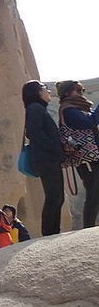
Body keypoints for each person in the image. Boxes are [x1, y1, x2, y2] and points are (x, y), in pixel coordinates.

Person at [23, 80, 65, 235]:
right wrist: (53, 147)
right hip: (46, 159)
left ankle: (53, 231)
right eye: (45, 88)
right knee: (54, 196)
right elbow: (33, 132)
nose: (49, 91)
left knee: (58, 196)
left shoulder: (38, 108)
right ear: (37, 92)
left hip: (48, 158)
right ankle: (49, 232)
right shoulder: (35, 108)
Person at [57, 80, 99, 228]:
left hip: (91, 156)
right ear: (67, 93)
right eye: (78, 90)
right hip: (86, 158)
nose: (81, 93)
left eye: (82, 90)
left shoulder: (75, 108)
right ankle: (88, 228)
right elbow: (89, 122)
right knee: (94, 192)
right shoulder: (68, 110)